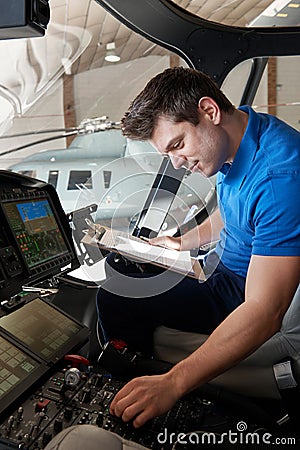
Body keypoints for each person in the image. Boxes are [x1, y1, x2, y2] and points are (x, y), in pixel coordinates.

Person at [97, 67, 300, 428]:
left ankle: (146, 395)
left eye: (177, 146)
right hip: (220, 268)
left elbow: (264, 310)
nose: (178, 163)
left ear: (209, 111)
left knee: (116, 297)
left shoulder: (279, 178)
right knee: (124, 266)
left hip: (237, 288)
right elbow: (235, 211)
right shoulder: (243, 136)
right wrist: (180, 242)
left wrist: (172, 384)